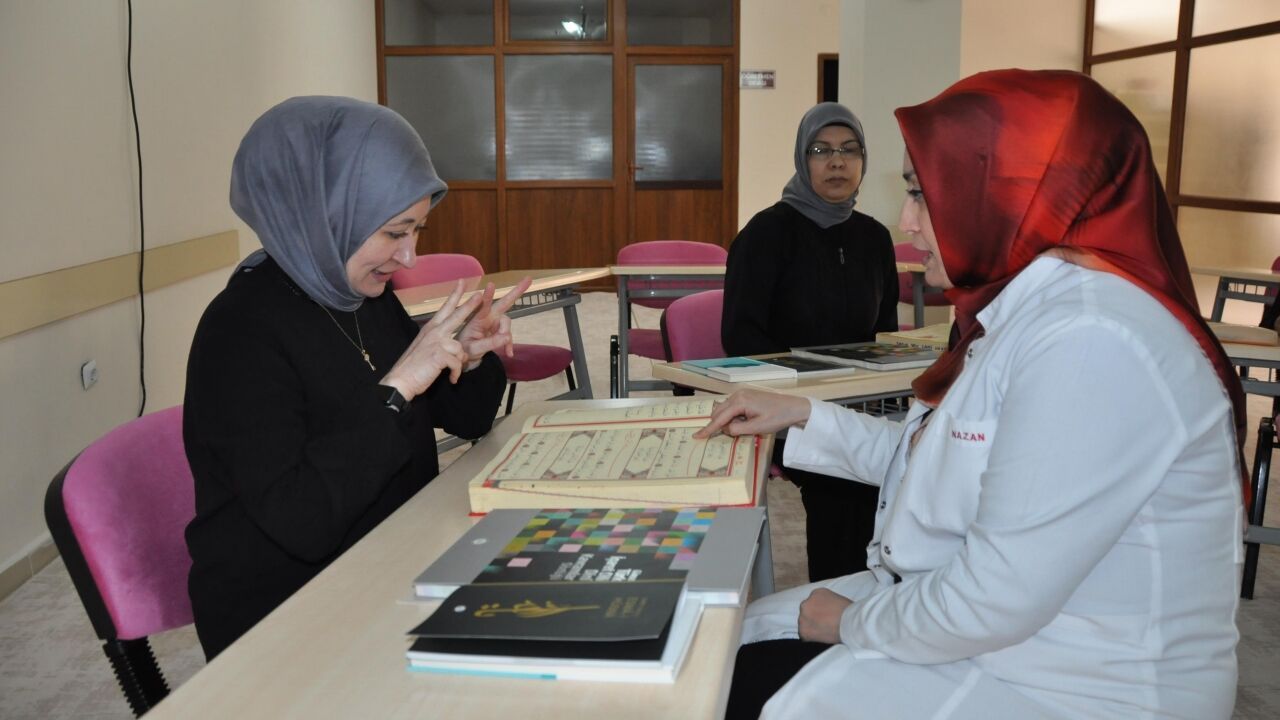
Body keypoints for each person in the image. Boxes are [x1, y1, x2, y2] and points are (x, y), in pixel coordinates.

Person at [701, 70, 1246, 719]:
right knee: (728, 642)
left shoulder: (1093, 341)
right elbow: (949, 462)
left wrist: (850, 622)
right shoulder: (1033, 310)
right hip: (1003, 636)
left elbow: (995, 595)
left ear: (1008, 197)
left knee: (734, 680)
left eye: (921, 194)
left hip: (1076, 684)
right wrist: (803, 415)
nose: (906, 222)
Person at [183, 96, 524, 660]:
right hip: (286, 611)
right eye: (394, 233)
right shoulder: (239, 331)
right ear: (321, 214)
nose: (409, 257)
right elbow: (303, 521)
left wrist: (467, 356)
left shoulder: (361, 296)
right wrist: (398, 389)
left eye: (417, 230)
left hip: (393, 555)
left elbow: (467, 418)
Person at [721, 102, 899, 582]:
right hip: (784, 408)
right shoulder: (765, 234)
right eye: (821, 150)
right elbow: (740, 336)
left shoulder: (874, 238)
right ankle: (837, 601)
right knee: (845, 484)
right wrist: (809, 390)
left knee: (920, 460)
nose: (837, 161)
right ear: (803, 158)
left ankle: (886, 594)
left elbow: (883, 335)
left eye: (850, 150)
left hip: (861, 405)